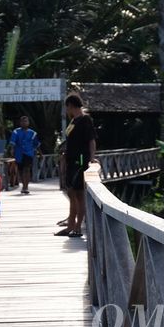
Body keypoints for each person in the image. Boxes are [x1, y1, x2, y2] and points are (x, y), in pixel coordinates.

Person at [56, 94, 97, 238]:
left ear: (71, 106)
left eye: (67, 107)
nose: (66, 110)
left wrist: (91, 159)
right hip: (70, 160)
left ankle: (78, 227)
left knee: (78, 194)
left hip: (80, 161)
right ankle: (70, 225)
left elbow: (91, 141)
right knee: (71, 192)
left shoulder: (85, 120)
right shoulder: (73, 121)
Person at [7, 115, 41, 194]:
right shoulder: (16, 132)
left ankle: (26, 187)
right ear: (20, 122)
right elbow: (12, 143)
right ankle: (23, 185)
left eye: (26, 121)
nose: (24, 123)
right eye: (22, 121)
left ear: (28, 122)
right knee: (21, 170)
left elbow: (37, 144)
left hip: (29, 153)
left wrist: (41, 153)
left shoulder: (33, 133)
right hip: (19, 154)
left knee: (27, 169)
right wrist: (12, 150)